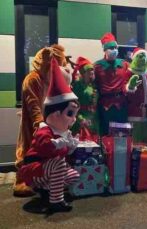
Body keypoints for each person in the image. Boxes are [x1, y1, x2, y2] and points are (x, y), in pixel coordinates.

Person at [19, 58, 80, 213]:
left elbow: (61, 153)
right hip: (34, 171)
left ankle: (48, 192)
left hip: (46, 170)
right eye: (70, 113)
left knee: (73, 174)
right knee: (59, 163)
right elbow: (46, 149)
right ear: (55, 114)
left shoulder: (63, 132)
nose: (73, 119)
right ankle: (56, 201)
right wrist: (58, 144)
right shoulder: (44, 130)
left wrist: (69, 147)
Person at [14, 44, 68, 197]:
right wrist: (39, 122)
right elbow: (33, 103)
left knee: (47, 151)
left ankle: (42, 181)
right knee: (27, 147)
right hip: (33, 123)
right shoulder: (33, 79)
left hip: (49, 123)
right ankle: (21, 180)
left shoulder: (51, 80)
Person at [94, 32, 139, 135]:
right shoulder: (97, 66)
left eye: (115, 47)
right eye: (111, 48)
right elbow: (93, 84)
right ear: (105, 50)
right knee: (105, 132)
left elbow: (135, 74)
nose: (114, 50)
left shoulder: (124, 64)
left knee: (121, 133)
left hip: (121, 103)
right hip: (105, 105)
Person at [127, 47, 147, 144]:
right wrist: (130, 86)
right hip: (133, 112)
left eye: (144, 56)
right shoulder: (129, 72)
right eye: (139, 56)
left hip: (146, 113)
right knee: (134, 141)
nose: (142, 58)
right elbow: (125, 91)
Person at [71, 56, 100, 142]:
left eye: (92, 70)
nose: (92, 72)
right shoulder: (77, 85)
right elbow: (73, 104)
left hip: (94, 120)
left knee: (94, 143)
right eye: (89, 70)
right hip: (81, 119)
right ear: (83, 73)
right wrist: (80, 119)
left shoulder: (94, 85)